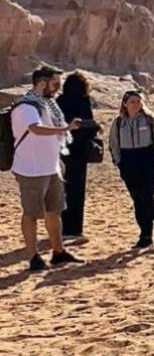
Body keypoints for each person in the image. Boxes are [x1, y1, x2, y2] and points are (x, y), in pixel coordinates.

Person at [10, 65, 81, 272]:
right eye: (55, 83)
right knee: (31, 213)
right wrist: (65, 128)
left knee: (54, 211)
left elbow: (51, 137)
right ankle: (33, 256)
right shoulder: (27, 106)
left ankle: (58, 252)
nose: (58, 88)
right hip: (31, 169)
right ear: (42, 82)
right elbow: (35, 129)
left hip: (50, 168)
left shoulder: (48, 104)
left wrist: (58, 160)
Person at [109, 90, 154, 249]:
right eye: (132, 102)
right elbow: (114, 145)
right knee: (138, 201)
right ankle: (145, 236)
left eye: (138, 101)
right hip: (129, 165)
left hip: (148, 163)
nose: (135, 105)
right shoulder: (118, 123)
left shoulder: (149, 119)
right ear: (125, 104)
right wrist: (120, 164)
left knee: (147, 199)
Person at [56, 70, 99, 244]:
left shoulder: (59, 101)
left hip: (61, 149)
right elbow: (87, 124)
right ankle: (73, 230)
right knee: (76, 191)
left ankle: (60, 227)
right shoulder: (83, 100)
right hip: (79, 150)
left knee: (61, 189)